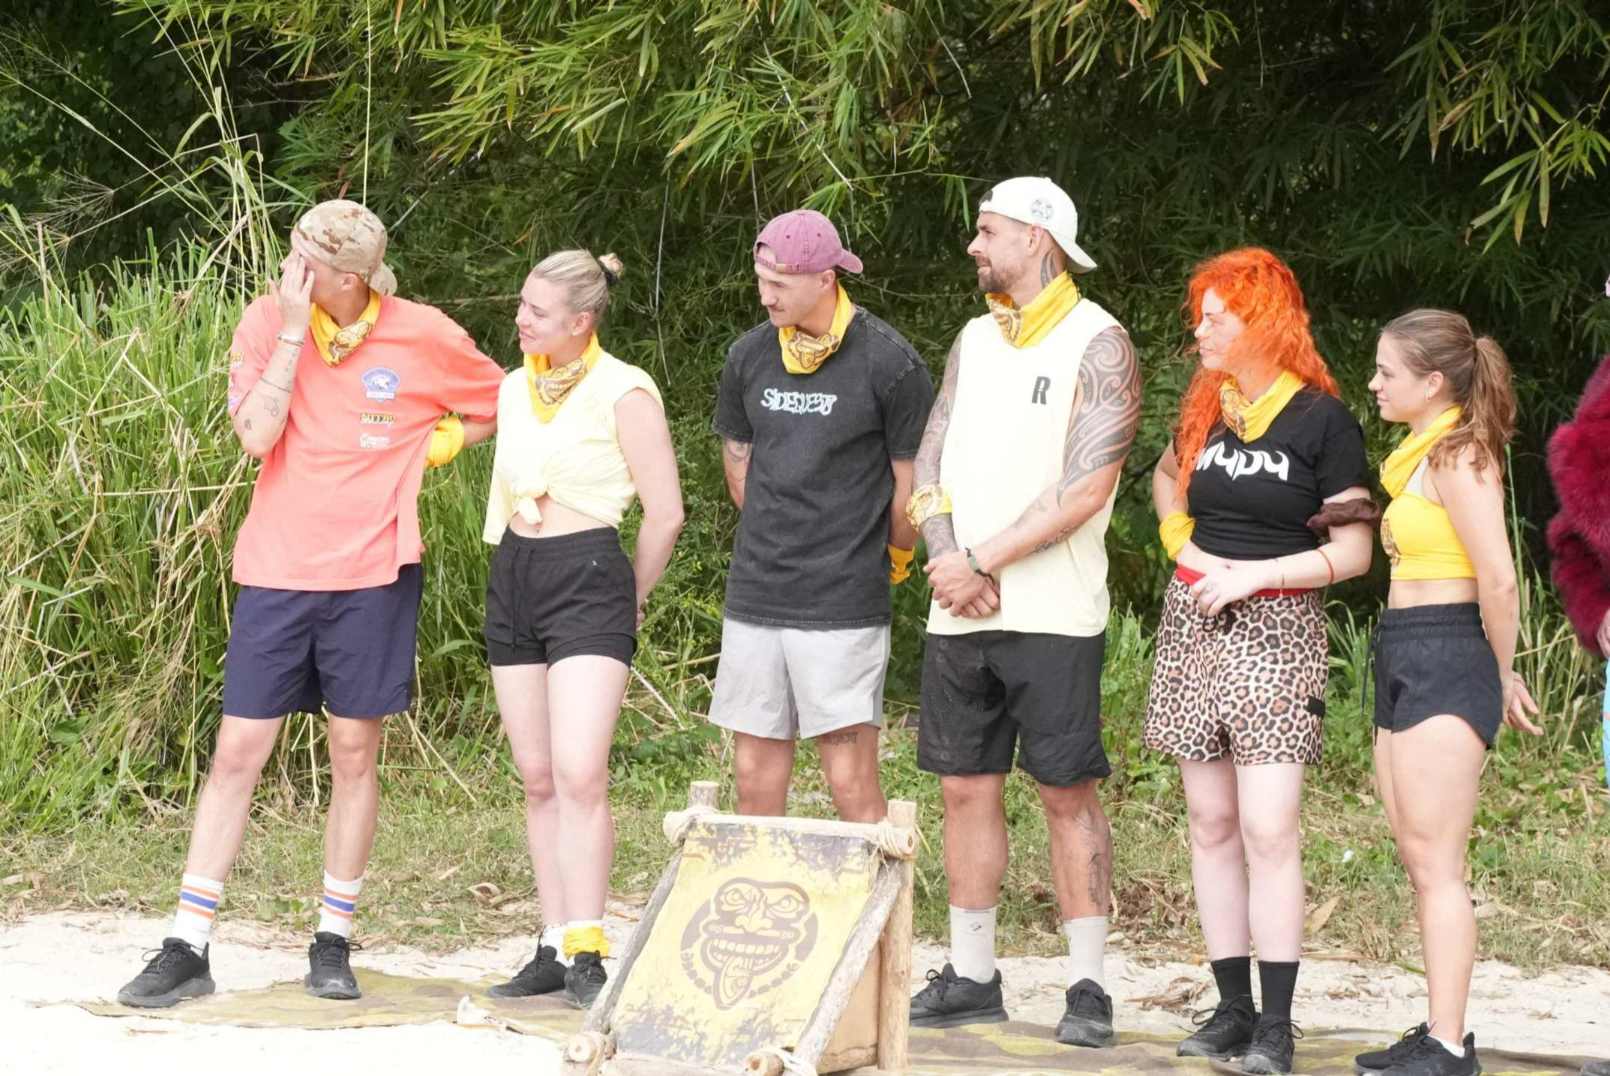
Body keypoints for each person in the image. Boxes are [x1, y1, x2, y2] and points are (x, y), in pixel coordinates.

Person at [117, 200, 504, 1007]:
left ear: (353, 277)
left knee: (354, 753)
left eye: (307, 262)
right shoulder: (269, 320)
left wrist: (436, 442)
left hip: (373, 572)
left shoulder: (423, 332)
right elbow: (256, 436)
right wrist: (294, 332)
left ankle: (333, 939)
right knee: (237, 751)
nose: (288, 270)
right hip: (278, 568)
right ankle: (188, 943)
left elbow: (501, 399)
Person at [906, 177, 1140, 1049]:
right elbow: (930, 454)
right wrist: (946, 560)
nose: (974, 245)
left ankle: (1088, 986)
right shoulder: (975, 337)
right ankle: (972, 975)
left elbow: (1085, 489)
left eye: (987, 230)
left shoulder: (1100, 340)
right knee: (964, 787)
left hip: (1053, 611)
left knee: (1066, 792)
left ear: (1037, 238)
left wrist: (982, 560)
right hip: (959, 603)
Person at [1144, 248, 1375, 1074]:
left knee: (1268, 826)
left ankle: (1277, 1022)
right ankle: (1231, 1007)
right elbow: (1166, 477)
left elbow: (1354, 553)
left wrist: (1259, 575)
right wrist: (1182, 541)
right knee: (1209, 823)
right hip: (1194, 622)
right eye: (1200, 316)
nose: (1200, 331)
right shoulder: (1209, 406)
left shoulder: (1321, 420)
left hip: (1278, 630)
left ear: (1265, 322)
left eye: (1217, 318)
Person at [482, 251, 683, 1009]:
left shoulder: (625, 389)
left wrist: (631, 594)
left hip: (589, 574)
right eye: (522, 304)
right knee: (536, 775)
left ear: (582, 321)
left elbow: (666, 512)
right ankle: (554, 939)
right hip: (516, 571)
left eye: (537, 311)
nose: (521, 319)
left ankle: (591, 948)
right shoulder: (513, 387)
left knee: (578, 770)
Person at [1353, 309, 1544, 1076]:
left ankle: (1449, 1043)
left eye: (1387, 372)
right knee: (1416, 853)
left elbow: (1498, 577)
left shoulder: (1461, 454)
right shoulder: (1417, 455)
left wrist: (1500, 671)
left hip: (1448, 648)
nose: (1374, 383)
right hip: (1402, 645)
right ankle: (1439, 1027)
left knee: (1439, 862)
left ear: (1433, 383)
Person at [708, 209, 933, 823]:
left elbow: (911, 485)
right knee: (753, 775)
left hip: (843, 597)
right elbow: (739, 465)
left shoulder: (890, 362)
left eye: (779, 284)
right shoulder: (749, 355)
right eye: (761, 280)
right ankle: (764, 884)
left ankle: (878, 890)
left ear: (826, 278)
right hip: (758, 591)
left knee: (848, 776)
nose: (765, 296)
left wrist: (895, 554)